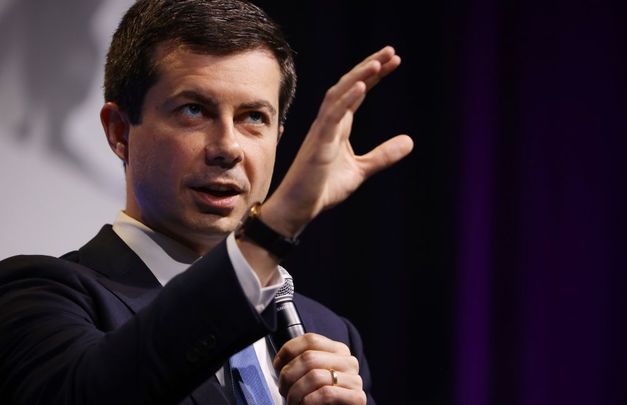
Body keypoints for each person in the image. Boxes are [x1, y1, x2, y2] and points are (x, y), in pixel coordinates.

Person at [0, 0, 413, 404]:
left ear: (278, 137)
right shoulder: (38, 298)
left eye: (253, 117)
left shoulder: (331, 334)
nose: (228, 148)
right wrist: (275, 226)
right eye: (194, 110)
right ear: (119, 131)